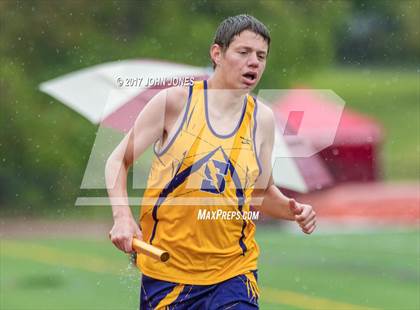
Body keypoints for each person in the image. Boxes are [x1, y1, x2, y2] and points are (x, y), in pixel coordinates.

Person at [105, 14, 316, 309]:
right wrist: (122, 217)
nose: (254, 62)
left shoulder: (262, 119)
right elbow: (117, 162)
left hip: (234, 273)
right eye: (243, 53)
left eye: (261, 56)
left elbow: (260, 194)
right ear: (217, 53)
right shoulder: (174, 104)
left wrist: (294, 210)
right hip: (168, 274)